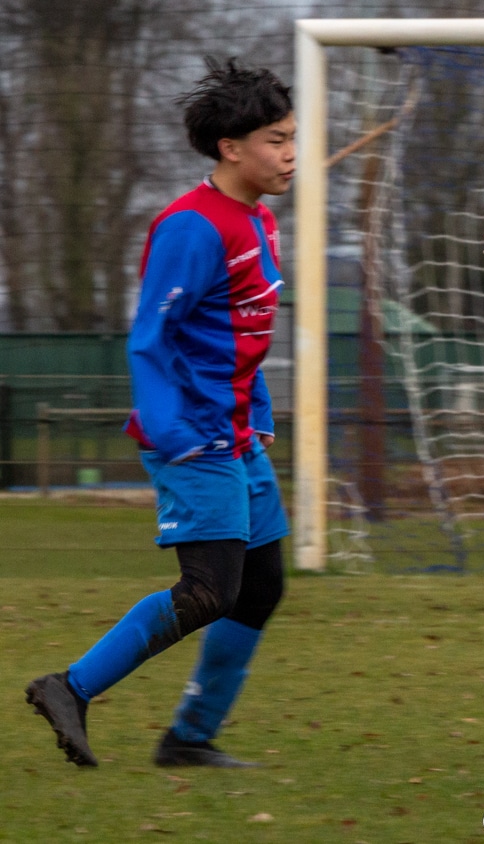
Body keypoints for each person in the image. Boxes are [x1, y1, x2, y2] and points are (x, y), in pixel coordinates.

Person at [25, 58, 294, 768]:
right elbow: (151, 336)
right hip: (194, 437)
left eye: (292, 137)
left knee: (260, 587)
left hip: (237, 433)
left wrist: (259, 406)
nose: (290, 153)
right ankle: (69, 687)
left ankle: (189, 739)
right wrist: (173, 432)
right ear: (230, 148)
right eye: (275, 140)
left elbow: (241, 329)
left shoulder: (261, 221)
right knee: (208, 591)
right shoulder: (191, 228)